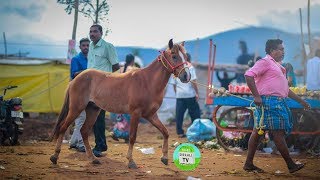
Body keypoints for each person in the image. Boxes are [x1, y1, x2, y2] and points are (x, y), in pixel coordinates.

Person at [243, 39, 310, 173]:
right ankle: (291, 165)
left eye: (283, 49)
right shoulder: (265, 62)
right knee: (277, 132)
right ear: (272, 51)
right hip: (269, 101)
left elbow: (286, 89)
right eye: (280, 49)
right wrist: (256, 96)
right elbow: (248, 75)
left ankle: (248, 163)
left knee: (257, 132)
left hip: (277, 101)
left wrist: (301, 101)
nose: (283, 52)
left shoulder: (278, 66)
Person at [88, 24, 120, 157]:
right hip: (90, 86)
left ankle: (100, 146)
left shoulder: (108, 47)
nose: (92, 34)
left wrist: (110, 84)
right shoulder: (90, 46)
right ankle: (99, 144)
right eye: (90, 32)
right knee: (91, 116)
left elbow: (116, 67)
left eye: (95, 31)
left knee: (98, 116)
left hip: (103, 87)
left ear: (101, 33)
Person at [171, 53, 201, 138]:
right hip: (190, 95)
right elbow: (194, 82)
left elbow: (173, 84)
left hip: (180, 95)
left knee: (179, 115)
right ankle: (196, 131)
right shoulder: (190, 67)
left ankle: (180, 132)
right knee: (195, 114)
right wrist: (197, 93)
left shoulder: (176, 69)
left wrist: (177, 92)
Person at [69, 38, 90, 152]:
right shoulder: (76, 59)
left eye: (87, 45)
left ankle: (73, 142)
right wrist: (89, 72)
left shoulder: (91, 59)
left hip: (88, 92)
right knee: (81, 117)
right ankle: (81, 144)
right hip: (77, 91)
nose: (86, 47)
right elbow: (74, 74)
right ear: (80, 47)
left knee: (82, 118)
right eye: (83, 45)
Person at [111, 54, 135, 142]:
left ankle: (116, 132)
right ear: (132, 60)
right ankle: (126, 136)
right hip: (128, 96)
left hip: (119, 95)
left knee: (120, 117)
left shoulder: (121, 69)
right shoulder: (131, 69)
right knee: (128, 118)